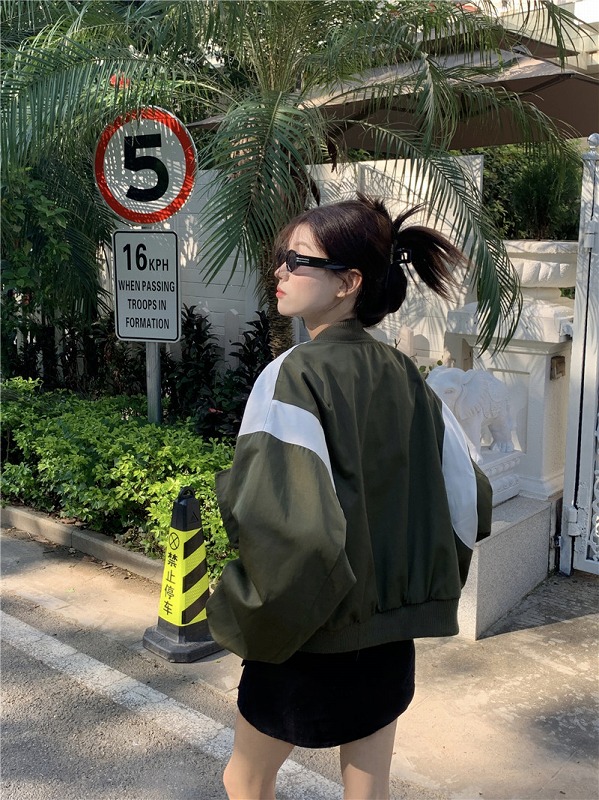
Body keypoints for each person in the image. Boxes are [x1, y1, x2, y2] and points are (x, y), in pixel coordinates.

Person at [206, 194, 493, 800]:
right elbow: (469, 499)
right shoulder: (408, 377)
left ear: (348, 282)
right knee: (368, 789)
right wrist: (415, 594)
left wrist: (245, 612)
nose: (280, 270)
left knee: (246, 779)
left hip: (308, 633)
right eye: (282, 258)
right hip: (387, 642)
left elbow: (290, 533)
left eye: (298, 260)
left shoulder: (293, 374)